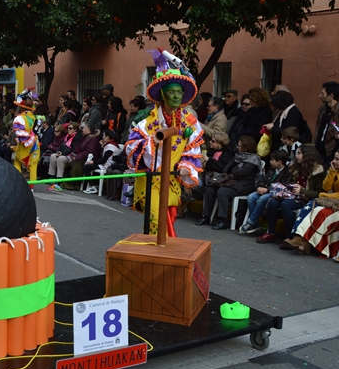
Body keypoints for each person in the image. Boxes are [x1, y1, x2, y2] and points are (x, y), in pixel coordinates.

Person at [125, 51, 204, 235]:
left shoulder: (190, 122)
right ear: (162, 94)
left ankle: (165, 259)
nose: (176, 97)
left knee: (169, 221)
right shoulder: (146, 120)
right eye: (171, 93)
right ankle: (158, 259)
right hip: (151, 181)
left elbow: (193, 149)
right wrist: (149, 143)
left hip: (172, 180)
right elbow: (130, 147)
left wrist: (185, 164)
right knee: (155, 221)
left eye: (179, 93)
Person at [281, 147, 339, 257]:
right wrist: (332, 172)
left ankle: (306, 242)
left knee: (321, 213)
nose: (334, 161)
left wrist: (325, 196)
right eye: (334, 158)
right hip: (333, 200)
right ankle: (300, 239)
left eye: (337, 159)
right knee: (312, 207)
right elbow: (326, 186)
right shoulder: (337, 170)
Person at [257, 145, 326, 245]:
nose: (296, 156)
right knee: (273, 202)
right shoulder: (296, 168)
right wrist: (290, 187)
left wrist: (302, 191)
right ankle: (270, 232)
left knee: (286, 204)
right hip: (290, 195)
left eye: (299, 153)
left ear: (307, 155)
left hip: (305, 199)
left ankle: (290, 236)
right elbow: (289, 182)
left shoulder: (319, 171)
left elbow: (319, 193)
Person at [196, 135, 263, 230]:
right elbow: (225, 169)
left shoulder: (253, 159)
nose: (237, 147)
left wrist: (232, 170)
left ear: (246, 148)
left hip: (243, 186)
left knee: (222, 191)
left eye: (239, 146)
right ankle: (206, 216)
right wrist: (232, 170)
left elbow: (240, 173)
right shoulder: (237, 156)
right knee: (210, 189)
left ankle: (223, 219)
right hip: (231, 182)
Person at [239, 149, 291, 234]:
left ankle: (252, 221)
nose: (270, 162)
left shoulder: (287, 173)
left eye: (272, 160)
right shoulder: (271, 170)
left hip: (276, 194)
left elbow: (282, 187)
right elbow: (264, 180)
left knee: (262, 199)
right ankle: (255, 223)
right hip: (265, 190)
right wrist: (261, 187)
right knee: (251, 197)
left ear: (279, 162)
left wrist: (267, 190)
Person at [12, 87, 41, 187]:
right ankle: (31, 187)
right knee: (33, 166)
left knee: (17, 162)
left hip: (25, 143)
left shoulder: (19, 118)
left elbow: (19, 133)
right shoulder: (33, 116)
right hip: (35, 143)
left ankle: (17, 185)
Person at [82, 129, 120, 194]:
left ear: (108, 137)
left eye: (104, 136)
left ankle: (93, 186)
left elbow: (103, 160)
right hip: (107, 164)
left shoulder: (110, 147)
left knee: (86, 167)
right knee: (90, 167)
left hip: (107, 165)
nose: (103, 137)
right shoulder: (113, 144)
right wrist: (102, 146)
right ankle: (95, 185)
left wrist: (93, 162)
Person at [47, 121, 80, 191]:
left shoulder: (76, 137)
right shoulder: (67, 136)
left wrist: (62, 153)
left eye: (70, 128)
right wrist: (58, 152)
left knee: (61, 159)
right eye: (68, 128)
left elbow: (73, 149)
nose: (68, 130)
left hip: (71, 155)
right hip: (64, 153)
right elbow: (62, 146)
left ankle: (59, 178)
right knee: (53, 156)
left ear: (75, 130)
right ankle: (52, 175)